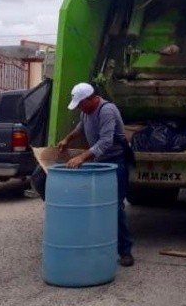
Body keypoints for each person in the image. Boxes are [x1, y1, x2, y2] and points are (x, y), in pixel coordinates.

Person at [57, 82, 135, 267]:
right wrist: (67, 138)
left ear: (92, 99)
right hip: (100, 162)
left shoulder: (107, 110)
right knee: (96, 206)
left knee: (115, 207)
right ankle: (99, 245)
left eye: (81, 104)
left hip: (116, 163)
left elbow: (106, 141)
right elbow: (81, 127)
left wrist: (82, 157)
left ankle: (125, 251)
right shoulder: (86, 111)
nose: (79, 109)